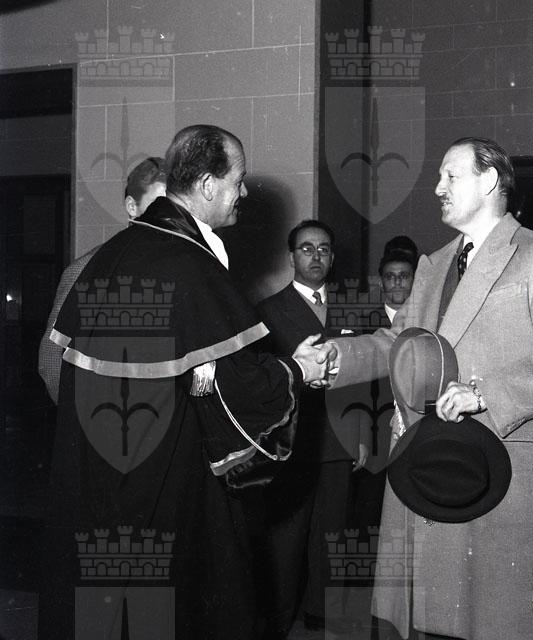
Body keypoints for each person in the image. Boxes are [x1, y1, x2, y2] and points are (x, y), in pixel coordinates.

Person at [38, 125, 330, 640]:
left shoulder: (111, 254)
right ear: (209, 185)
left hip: (101, 479)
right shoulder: (189, 263)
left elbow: (60, 365)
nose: (243, 192)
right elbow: (236, 386)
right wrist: (299, 369)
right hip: (170, 479)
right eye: (238, 180)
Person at [321, 137, 533, 639]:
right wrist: (334, 359)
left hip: (505, 464)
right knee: (436, 620)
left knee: (496, 618)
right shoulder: (433, 265)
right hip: (432, 459)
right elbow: (397, 342)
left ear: (489, 181)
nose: (437, 188)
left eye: (450, 176)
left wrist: (486, 393)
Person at [255, 219, 369, 638]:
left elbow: (365, 380)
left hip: (340, 438)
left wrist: (363, 435)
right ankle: (278, 617)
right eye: (306, 249)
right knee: (287, 535)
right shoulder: (268, 312)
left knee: (332, 531)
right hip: (293, 441)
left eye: (323, 249)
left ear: (333, 257)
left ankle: (322, 612)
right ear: (291, 257)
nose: (315, 256)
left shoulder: (352, 307)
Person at [38, 156, 167, 403]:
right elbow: (51, 361)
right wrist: (78, 418)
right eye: (159, 207)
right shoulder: (85, 269)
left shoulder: (180, 269)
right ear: (132, 207)